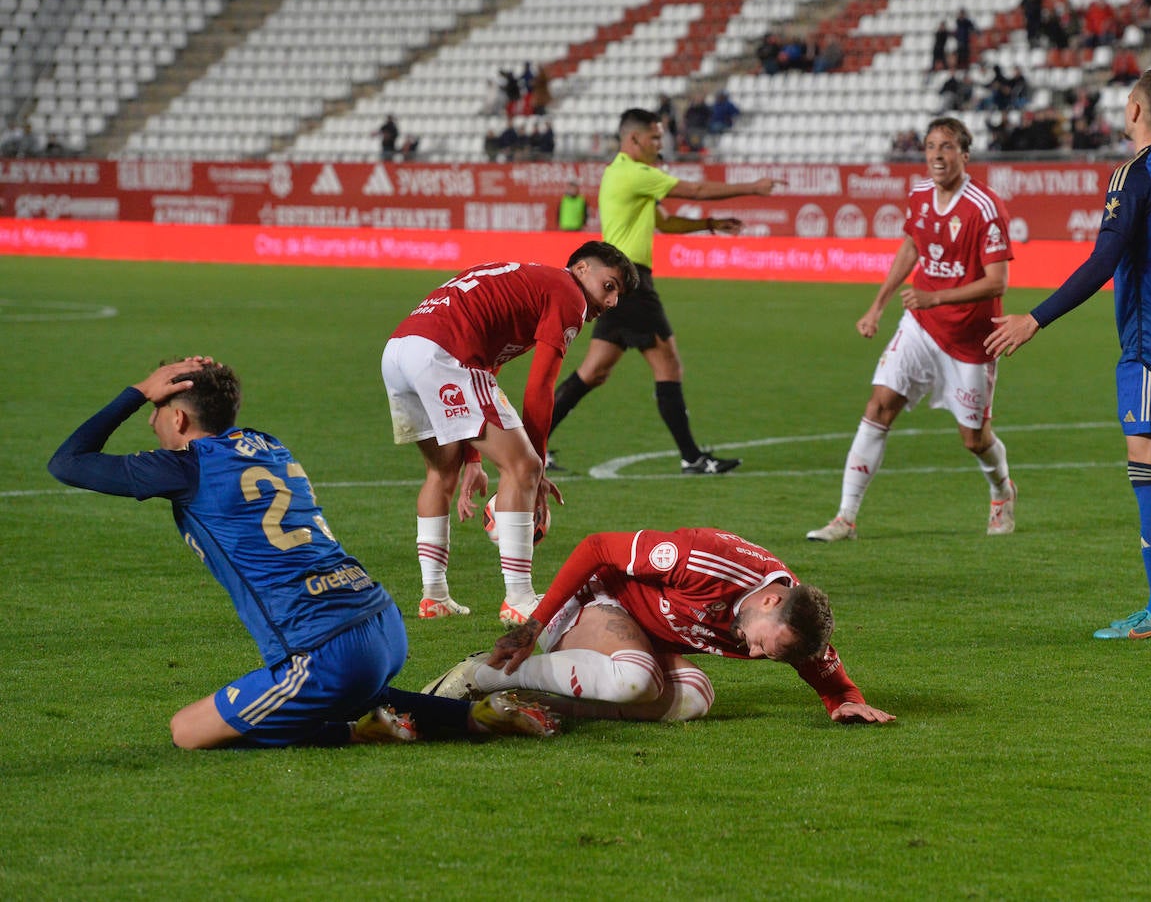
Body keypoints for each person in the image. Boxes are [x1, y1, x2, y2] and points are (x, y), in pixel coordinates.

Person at [46, 358, 560, 748]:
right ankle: (479, 715)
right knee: (356, 693)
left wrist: (136, 391)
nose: (151, 423)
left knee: (187, 731)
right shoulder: (270, 445)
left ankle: (353, 731)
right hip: (381, 624)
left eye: (157, 412)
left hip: (326, 650)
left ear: (178, 419)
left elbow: (68, 462)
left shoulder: (184, 467)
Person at [984, 68, 1151, 641]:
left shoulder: (1134, 173)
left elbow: (1103, 260)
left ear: (1137, 111)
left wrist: (1034, 318)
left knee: (1149, 473)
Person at [382, 241, 638, 626]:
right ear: (582, 269)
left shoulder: (533, 280)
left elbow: (488, 362)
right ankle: (519, 599)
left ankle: (433, 596)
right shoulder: (569, 294)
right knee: (522, 466)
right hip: (445, 353)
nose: (613, 302)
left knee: (441, 471)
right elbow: (541, 387)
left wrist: (473, 457)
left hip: (400, 352)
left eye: (619, 294)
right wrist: (533, 470)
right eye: (611, 285)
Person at [423, 527, 896, 726]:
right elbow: (597, 548)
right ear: (769, 600)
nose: (753, 655)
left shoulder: (789, 622)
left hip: (640, 637)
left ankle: (530, 704)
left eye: (766, 655)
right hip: (597, 600)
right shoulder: (707, 560)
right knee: (636, 679)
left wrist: (846, 702)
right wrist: (532, 626)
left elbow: (824, 669)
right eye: (761, 645)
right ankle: (482, 675)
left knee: (695, 695)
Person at [807, 116, 1017, 544]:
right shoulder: (919, 196)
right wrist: (878, 305)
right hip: (920, 326)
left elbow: (998, 282)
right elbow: (911, 247)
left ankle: (1002, 492)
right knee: (880, 404)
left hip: (970, 340)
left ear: (964, 154)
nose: (937, 156)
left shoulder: (984, 207)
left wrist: (936, 297)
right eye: (930, 147)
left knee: (974, 440)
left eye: (946, 147)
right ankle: (845, 518)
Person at [546, 108, 781, 475]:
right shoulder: (634, 172)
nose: (660, 144)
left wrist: (707, 224)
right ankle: (692, 457)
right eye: (654, 138)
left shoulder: (623, 174)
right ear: (633, 139)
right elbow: (697, 189)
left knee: (593, 372)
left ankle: (533, 443)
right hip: (630, 282)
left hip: (616, 281)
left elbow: (665, 222)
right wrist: (752, 187)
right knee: (666, 363)